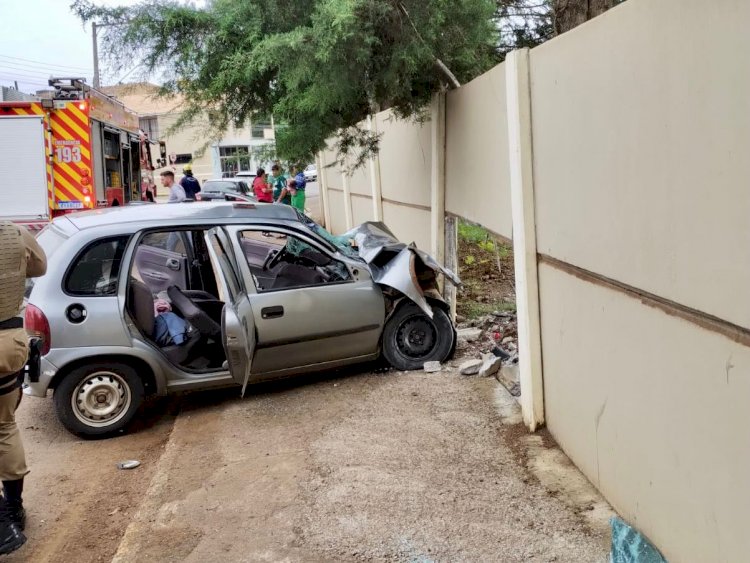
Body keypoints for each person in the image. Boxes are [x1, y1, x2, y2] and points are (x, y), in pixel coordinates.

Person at [0, 222, 47, 555]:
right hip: (6, 342)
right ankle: (12, 508)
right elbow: (40, 266)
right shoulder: (12, 233)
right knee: (4, 426)